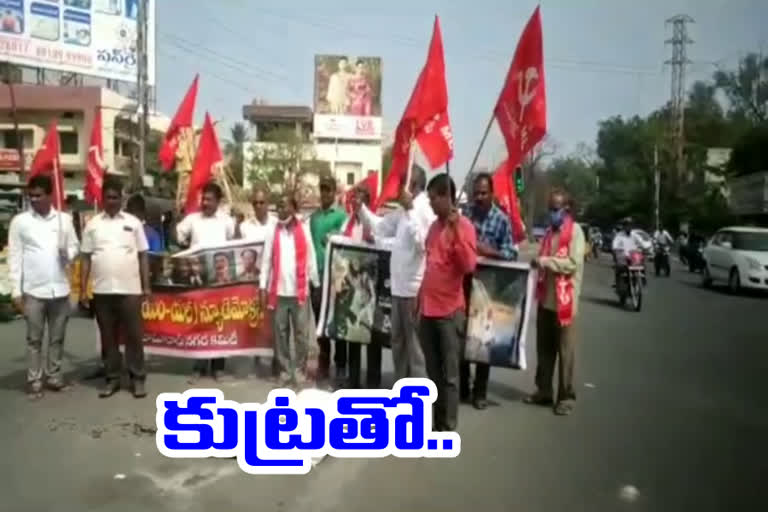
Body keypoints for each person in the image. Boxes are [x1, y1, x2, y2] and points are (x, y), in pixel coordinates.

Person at [359, 166, 434, 382]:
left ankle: (419, 397)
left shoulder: (424, 211)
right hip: (398, 289)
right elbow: (381, 227)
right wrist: (361, 209)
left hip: (414, 291)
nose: (397, 188)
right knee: (398, 343)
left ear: (414, 185)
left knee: (415, 349)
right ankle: (402, 389)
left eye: (402, 183)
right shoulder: (402, 211)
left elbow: (423, 245)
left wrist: (410, 211)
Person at [8, 175, 79, 399]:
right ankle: (34, 380)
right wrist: (16, 291)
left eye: (39, 195)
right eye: (32, 196)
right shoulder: (20, 222)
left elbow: (75, 247)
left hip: (59, 289)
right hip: (33, 291)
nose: (35, 199)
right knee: (34, 339)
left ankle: (54, 376)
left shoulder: (63, 221)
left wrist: (67, 253)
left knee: (57, 338)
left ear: (50, 195)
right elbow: (15, 256)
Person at [80, 177, 150, 399]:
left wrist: (146, 287)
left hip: (130, 289)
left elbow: (143, 255)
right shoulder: (92, 225)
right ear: (102, 198)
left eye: (115, 197)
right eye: (108, 197)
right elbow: (86, 258)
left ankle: (137, 378)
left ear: (122, 198)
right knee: (108, 338)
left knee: (134, 336)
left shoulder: (133, 223)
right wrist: (83, 289)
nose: (111, 201)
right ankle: (112, 379)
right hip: (102, 291)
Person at [419, 174, 477, 432]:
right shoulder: (433, 228)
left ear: (446, 197)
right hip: (428, 309)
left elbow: (468, 266)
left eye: (433, 198)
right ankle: (435, 420)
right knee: (433, 373)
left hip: (449, 311)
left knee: (450, 374)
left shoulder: (464, 227)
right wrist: (419, 299)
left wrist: (456, 233)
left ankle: (448, 425)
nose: (431, 203)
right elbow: (428, 265)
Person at [460, 173, 517, 410]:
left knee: (483, 339)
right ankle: (463, 386)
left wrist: (486, 251)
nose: (479, 197)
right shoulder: (466, 215)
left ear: (492, 193)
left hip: (488, 287)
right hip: (463, 284)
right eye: (476, 193)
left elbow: (511, 253)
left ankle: (480, 392)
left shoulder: (501, 220)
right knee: (462, 336)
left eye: (484, 193)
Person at [526, 190, 586, 416]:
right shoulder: (550, 233)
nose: (551, 213)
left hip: (565, 304)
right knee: (544, 350)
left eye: (555, 209)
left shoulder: (575, 232)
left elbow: (571, 263)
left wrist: (545, 261)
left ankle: (566, 396)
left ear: (566, 210)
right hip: (546, 300)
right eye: (550, 208)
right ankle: (543, 390)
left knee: (566, 352)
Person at [176, 182, 235, 381]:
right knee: (198, 323)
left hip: (219, 281)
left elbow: (233, 243)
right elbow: (178, 236)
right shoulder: (192, 220)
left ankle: (218, 367)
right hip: (198, 280)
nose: (205, 203)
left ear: (218, 202)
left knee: (219, 323)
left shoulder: (227, 222)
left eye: (209, 199)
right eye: (204, 199)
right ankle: (198, 366)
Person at [260, 192, 319, 387]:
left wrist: (315, 285)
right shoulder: (272, 231)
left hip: (300, 293)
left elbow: (311, 259)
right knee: (280, 335)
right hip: (279, 292)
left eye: (285, 205)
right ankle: (284, 372)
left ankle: (299, 372)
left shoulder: (304, 229)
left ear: (293, 208)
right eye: (279, 206)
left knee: (301, 335)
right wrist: (263, 287)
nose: (281, 209)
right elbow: (267, 260)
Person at [340, 186, 382, 389]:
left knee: (373, 336)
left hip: (372, 285)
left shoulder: (376, 223)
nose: (356, 204)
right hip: (353, 285)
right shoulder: (347, 223)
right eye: (355, 200)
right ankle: (353, 380)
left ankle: (373, 384)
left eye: (361, 201)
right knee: (353, 334)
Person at [309, 176, 347, 386]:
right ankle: (324, 362)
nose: (324, 193)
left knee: (337, 321)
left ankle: (340, 363)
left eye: (328, 190)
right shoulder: (314, 218)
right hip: (317, 277)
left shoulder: (341, 216)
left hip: (335, 278)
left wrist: (334, 236)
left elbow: (346, 238)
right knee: (320, 324)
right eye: (322, 189)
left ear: (334, 192)